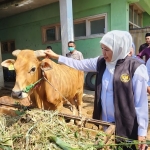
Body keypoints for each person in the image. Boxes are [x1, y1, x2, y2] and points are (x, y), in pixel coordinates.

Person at [44, 30, 148, 150]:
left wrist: (142, 132)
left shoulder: (135, 68)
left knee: (124, 147)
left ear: (119, 48)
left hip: (126, 123)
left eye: (107, 49)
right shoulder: (101, 62)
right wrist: (56, 57)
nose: (103, 53)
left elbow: (141, 103)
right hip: (105, 122)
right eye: (102, 48)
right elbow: (80, 64)